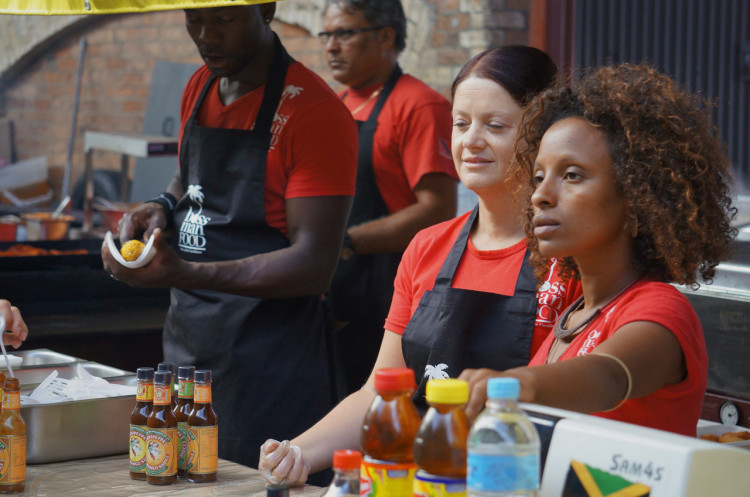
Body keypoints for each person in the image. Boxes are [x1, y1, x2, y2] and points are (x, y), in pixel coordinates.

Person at [259, 46, 581, 485]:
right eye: (462, 123)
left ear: (542, 135)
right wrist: (298, 452)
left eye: (496, 126)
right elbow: (381, 390)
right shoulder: (427, 247)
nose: (471, 141)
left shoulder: (573, 259)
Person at [101, 3, 358, 471]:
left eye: (224, 20)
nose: (207, 36)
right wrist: (161, 204)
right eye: (195, 20)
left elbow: (314, 263)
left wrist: (186, 271)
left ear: (266, 9)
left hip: (269, 363)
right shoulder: (199, 87)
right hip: (190, 342)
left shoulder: (313, 112)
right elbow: (189, 181)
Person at [459, 63, 737, 437]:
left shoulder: (659, 309)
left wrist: (520, 385)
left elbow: (608, 376)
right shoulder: (573, 315)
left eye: (572, 175)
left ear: (636, 199)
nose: (541, 195)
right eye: (538, 177)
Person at [320, 0, 459, 399]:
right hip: (340, 293)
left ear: (386, 37)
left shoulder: (419, 105)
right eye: (326, 35)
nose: (331, 46)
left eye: (344, 33)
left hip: (389, 297)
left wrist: (346, 241)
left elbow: (436, 210)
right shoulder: (338, 104)